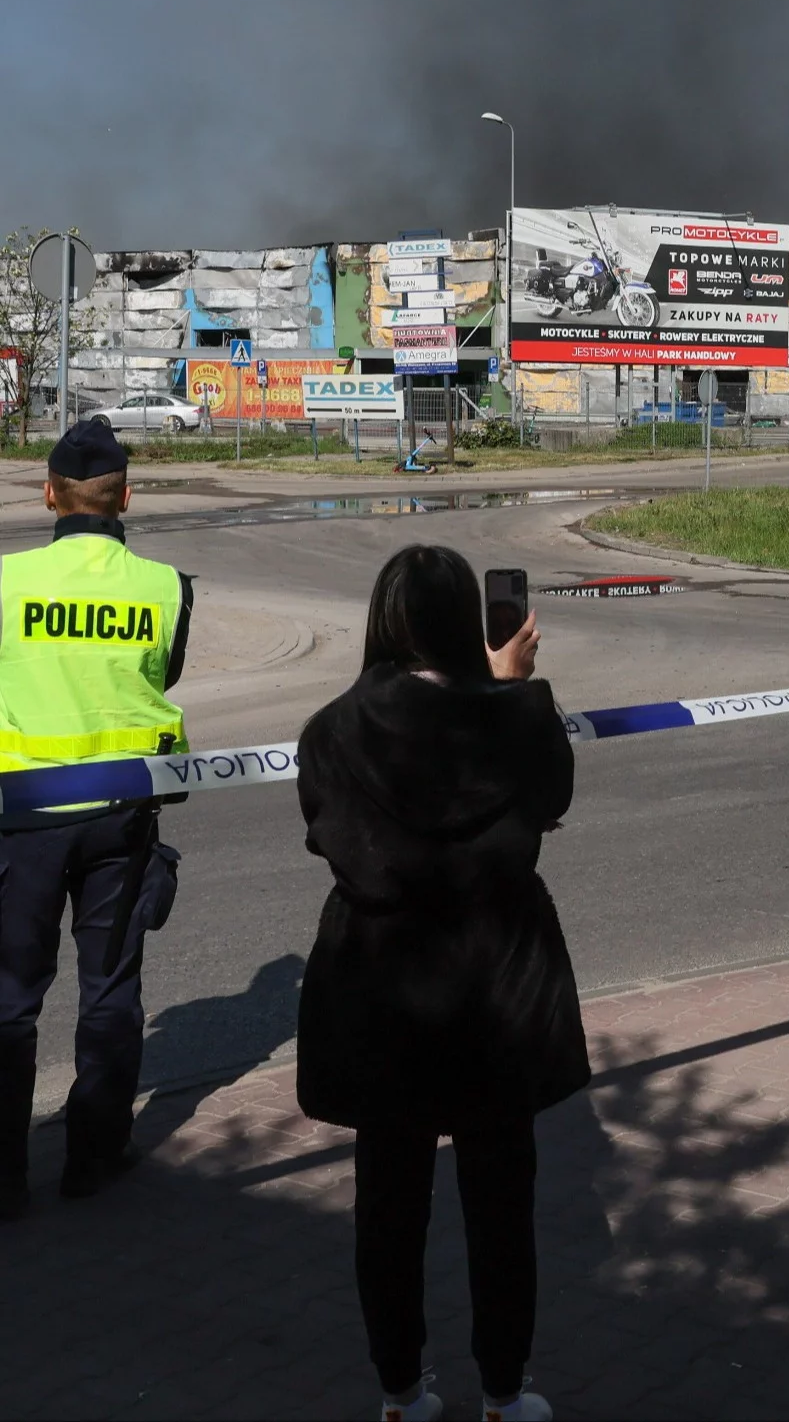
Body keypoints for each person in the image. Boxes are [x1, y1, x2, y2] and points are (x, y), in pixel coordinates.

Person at [296, 545, 575, 1422]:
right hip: (498, 987)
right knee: (502, 1201)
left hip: (383, 989)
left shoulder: (331, 730)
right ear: (468, 622)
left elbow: (327, 833)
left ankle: (400, 1390)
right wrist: (512, 685)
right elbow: (553, 799)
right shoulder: (519, 716)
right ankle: (503, 1390)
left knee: (387, 1201)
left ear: (381, 620)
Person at [0, 419, 194, 1219]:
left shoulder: (7, 582)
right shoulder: (164, 586)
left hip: (24, 819)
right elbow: (164, 671)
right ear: (125, 497)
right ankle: (95, 1154)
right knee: (109, 985)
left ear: (49, 494)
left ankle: (4, 1179)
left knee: (10, 998)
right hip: (122, 816)